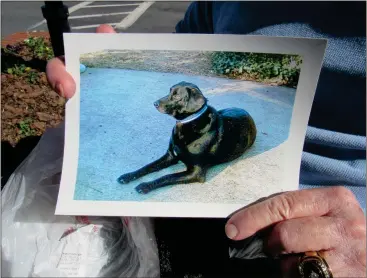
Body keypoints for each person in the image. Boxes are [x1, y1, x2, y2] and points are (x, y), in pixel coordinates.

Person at [46, 1, 366, 277]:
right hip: (197, 227)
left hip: (321, 245)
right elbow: (190, 40)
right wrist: (103, 58)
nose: (163, 101)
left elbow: (196, 173)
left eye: (173, 98)